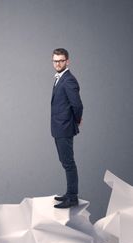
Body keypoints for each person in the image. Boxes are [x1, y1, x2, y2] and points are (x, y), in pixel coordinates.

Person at [51, 48, 83, 208]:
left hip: (65, 127)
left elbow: (77, 105)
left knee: (69, 163)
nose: (58, 63)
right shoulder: (60, 78)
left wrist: (76, 121)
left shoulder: (69, 79)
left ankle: (73, 197)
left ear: (67, 61)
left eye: (61, 60)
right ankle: (69, 193)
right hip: (59, 127)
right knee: (65, 162)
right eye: (55, 61)